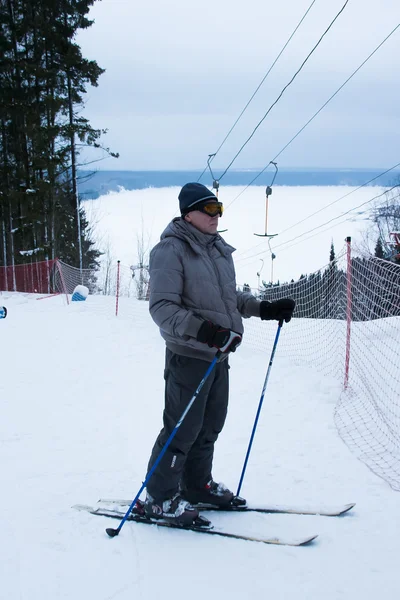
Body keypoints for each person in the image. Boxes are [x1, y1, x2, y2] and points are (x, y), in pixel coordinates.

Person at [144, 182, 295, 525]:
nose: (216, 217)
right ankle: (159, 497)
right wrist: (205, 331)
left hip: (218, 355)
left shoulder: (216, 250)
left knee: (209, 426)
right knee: (181, 429)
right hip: (189, 355)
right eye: (208, 210)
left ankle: (196, 486)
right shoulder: (171, 250)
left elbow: (229, 300)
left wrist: (264, 308)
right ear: (188, 214)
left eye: (219, 209)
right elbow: (161, 307)